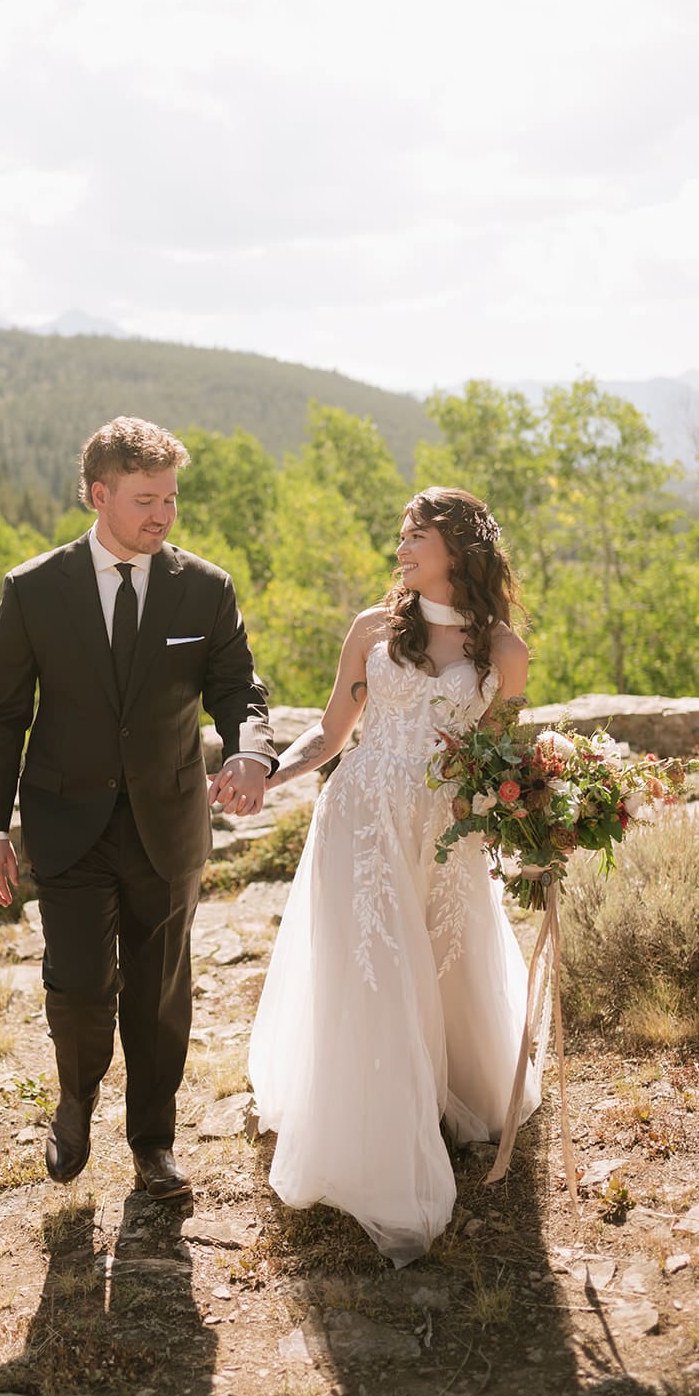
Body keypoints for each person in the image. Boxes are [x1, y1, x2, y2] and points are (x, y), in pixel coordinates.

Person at [0, 417, 276, 1199]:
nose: (163, 515)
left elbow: (238, 687)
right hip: (65, 825)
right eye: (146, 499)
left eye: (170, 498)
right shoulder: (34, 589)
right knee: (76, 985)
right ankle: (75, 1101)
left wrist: (247, 747)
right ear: (99, 494)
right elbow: (1, 715)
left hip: (167, 825)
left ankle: (153, 1144)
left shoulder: (203, 587)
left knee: (158, 991)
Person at [247, 486, 540, 1266]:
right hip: (362, 817)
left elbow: (499, 759)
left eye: (416, 537)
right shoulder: (372, 630)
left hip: (444, 830)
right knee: (374, 970)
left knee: (443, 964)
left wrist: (541, 819)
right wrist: (270, 775)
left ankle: (453, 1097)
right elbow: (331, 728)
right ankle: (370, 1136)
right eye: (401, 535)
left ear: (458, 551)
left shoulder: (503, 653)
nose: (401, 549)